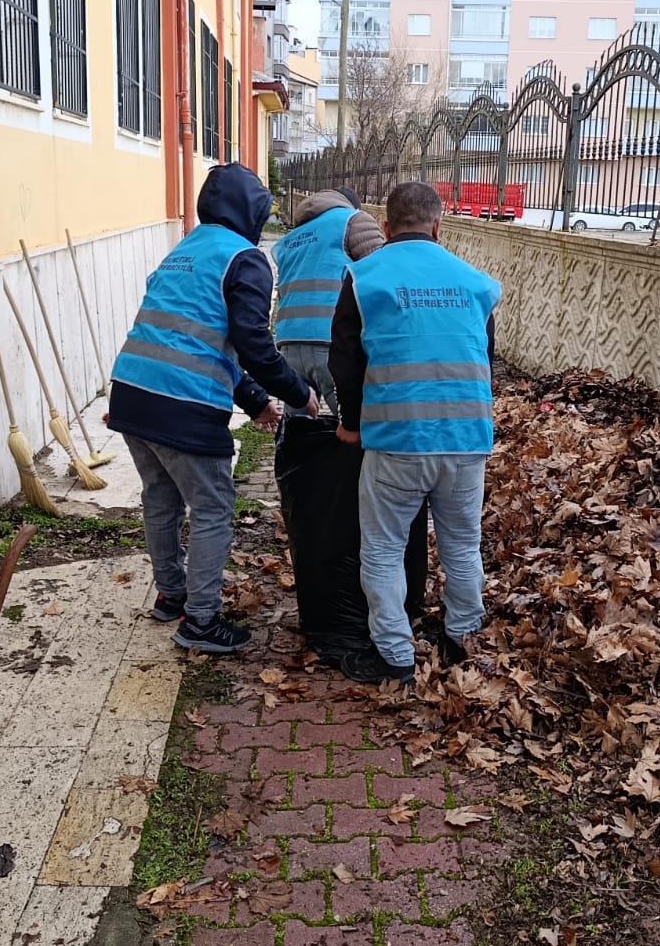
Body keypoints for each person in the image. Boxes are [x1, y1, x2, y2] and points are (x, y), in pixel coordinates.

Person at [110, 164, 318, 654]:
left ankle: (172, 595)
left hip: (132, 393)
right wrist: (296, 393)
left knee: (161, 498)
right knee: (212, 508)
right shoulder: (245, 259)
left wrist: (255, 401)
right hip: (182, 403)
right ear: (251, 212)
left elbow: (199, 340)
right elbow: (253, 345)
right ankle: (200, 621)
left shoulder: (185, 249)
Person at [328, 181, 503, 684]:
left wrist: (352, 424)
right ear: (438, 226)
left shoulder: (364, 278)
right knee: (462, 545)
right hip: (466, 439)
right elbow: (484, 359)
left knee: (383, 549)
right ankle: (462, 637)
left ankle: (394, 657)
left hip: (396, 442)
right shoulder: (475, 282)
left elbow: (345, 361)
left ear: (385, 228)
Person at [270, 186, 384, 415]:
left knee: (298, 428)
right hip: (330, 343)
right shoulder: (353, 220)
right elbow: (383, 276)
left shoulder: (292, 238)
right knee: (356, 422)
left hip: (289, 343)